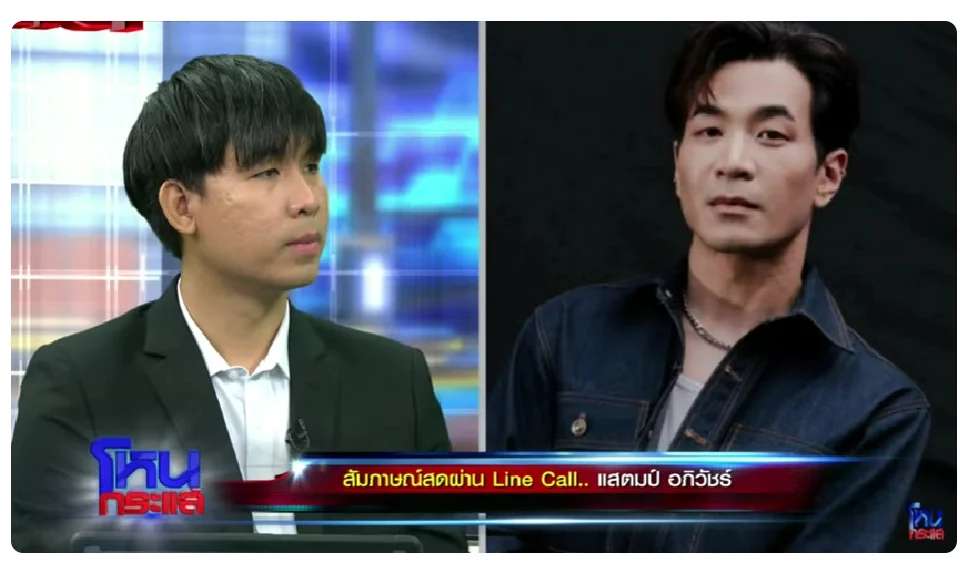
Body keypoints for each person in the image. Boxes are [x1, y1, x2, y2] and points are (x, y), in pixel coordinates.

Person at [488, 22, 930, 553]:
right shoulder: (564, 336)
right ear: (678, 164)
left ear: (828, 175)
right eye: (710, 131)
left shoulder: (876, 412)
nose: (733, 162)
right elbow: (491, 531)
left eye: (771, 135)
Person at [11, 54, 467, 553]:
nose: (308, 199)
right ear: (182, 206)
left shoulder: (394, 382)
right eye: (267, 172)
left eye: (311, 166)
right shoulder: (80, 385)